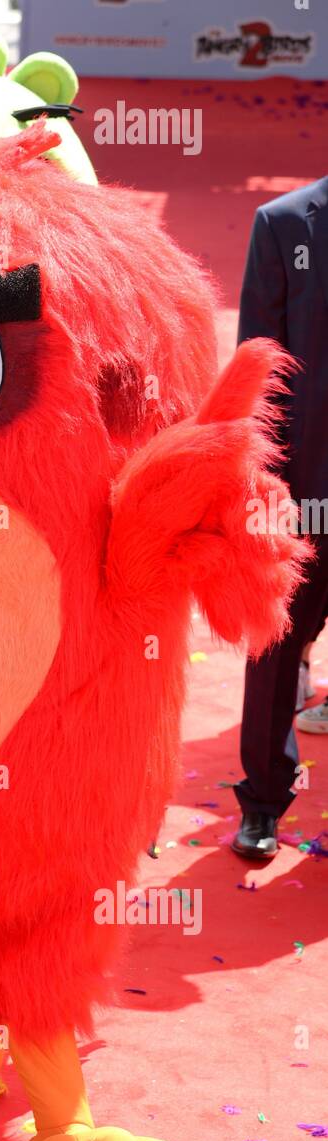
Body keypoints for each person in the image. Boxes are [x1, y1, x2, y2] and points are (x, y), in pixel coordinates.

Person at [232, 174, 328, 859]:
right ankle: (262, 803)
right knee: (275, 649)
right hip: (301, 492)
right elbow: (258, 377)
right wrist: (264, 488)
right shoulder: (284, 224)